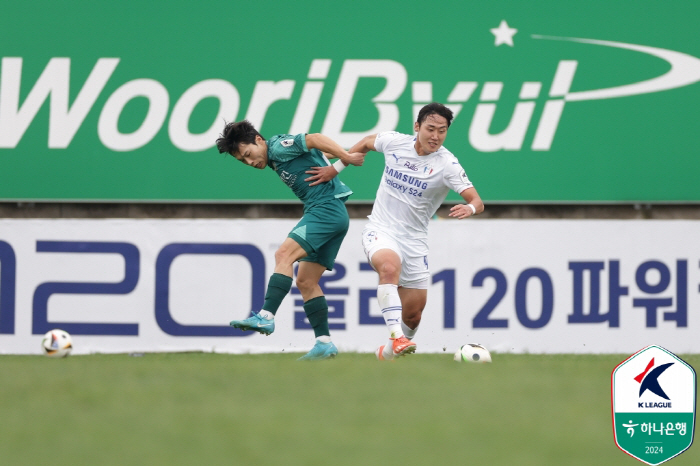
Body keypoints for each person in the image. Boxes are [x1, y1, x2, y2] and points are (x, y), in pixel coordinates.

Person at [305, 102, 484, 361]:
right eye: (430, 129)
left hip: (414, 241)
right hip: (380, 228)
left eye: (442, 131)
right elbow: (367, 142)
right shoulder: (394, 142)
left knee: (413, 315)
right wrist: (337, 167)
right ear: (417, 127)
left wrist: (469, 208)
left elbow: (478, 201)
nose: (435, 136)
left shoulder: (448, 164)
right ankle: (396, 337)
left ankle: (388, 354)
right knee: (389, 268)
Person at [216, 120, 364, 360]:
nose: (250, 162)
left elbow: (314, 138)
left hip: (325, 211)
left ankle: (266, 316)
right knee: (306, 281)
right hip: (331, 213)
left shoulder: (277, 147)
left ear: (259, 140)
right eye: (243, 161)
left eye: (248, 154)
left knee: (283, 255)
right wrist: (337, 159)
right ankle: (324, 342)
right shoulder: (275, 158)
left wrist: (344, 156)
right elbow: (315, 150)